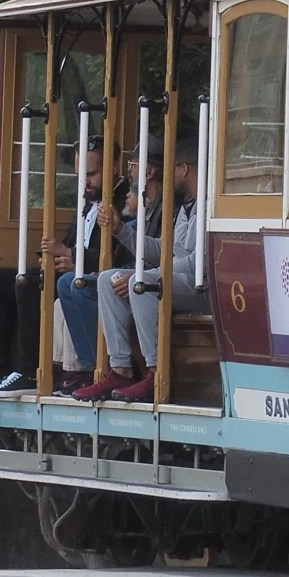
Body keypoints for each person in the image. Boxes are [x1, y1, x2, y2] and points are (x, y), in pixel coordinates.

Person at [0, 138, 119, 397]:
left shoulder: (125, 200)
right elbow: (74, 244)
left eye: (91, 174)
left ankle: (30, 372)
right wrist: (58, 256)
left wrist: (72, 257)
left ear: (114, 166)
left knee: (26, 284)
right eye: (80, 174)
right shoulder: (86, 201)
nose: (84, 181)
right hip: (69, 273)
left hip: (89, 282)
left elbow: (122, 256)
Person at [78, 135, 211, 405]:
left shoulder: (210, 204)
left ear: (184, 168)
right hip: (178, 280)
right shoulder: (187, 205)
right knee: (107, 279)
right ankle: (121, 369)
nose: (168, 174)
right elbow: (165, 249)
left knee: (144, 284)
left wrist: (147, 275)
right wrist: (120, 230)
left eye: (172, 167)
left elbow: (199, 264)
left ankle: (156, 371)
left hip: (203, 288)